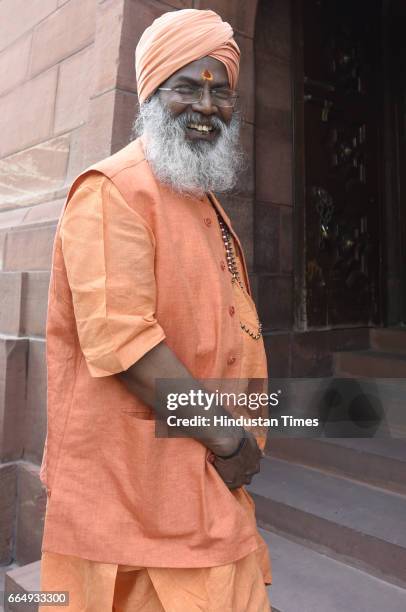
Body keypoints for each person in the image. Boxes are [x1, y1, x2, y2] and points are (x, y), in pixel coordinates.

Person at [39, 8, 272, 611]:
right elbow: (127, 346)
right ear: (150, 94)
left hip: (203, 490)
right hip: (130, 499)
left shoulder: (198, 196)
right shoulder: (113, 190)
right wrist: (229, 439)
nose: (206, 106)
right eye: (187, 87)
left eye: (220, 92)